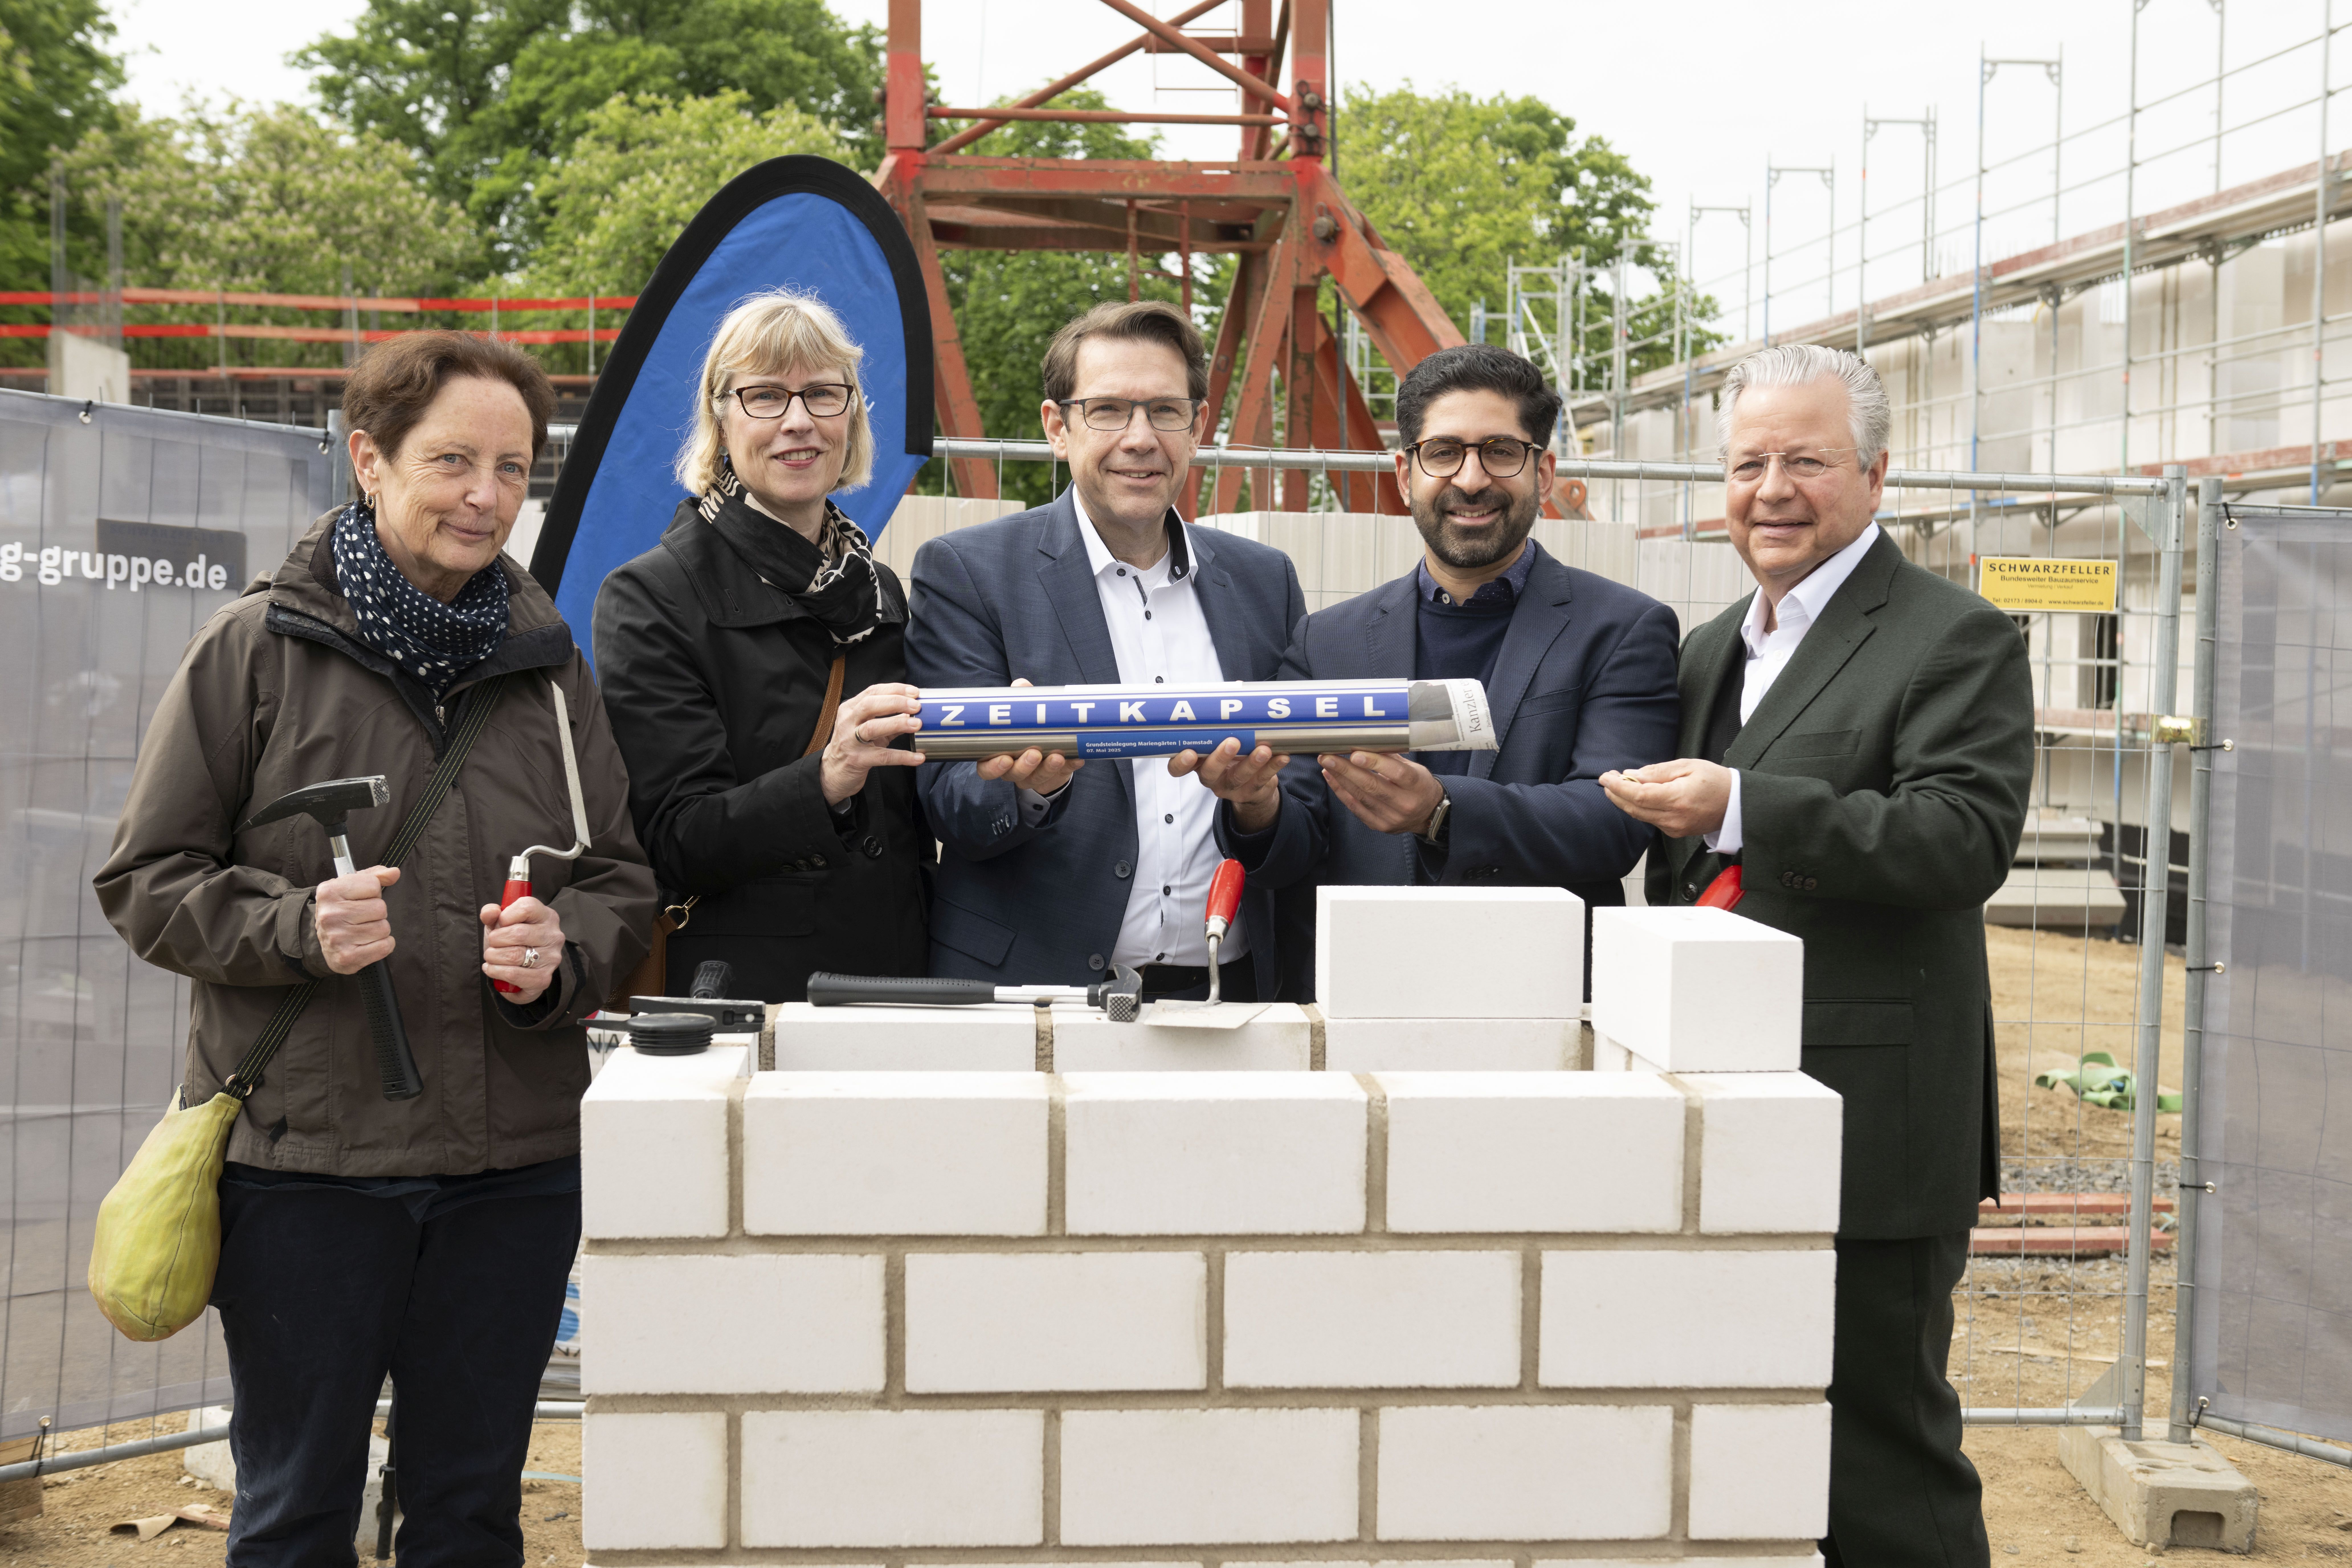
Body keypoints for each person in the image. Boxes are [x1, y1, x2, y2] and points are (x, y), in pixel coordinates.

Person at [93, 330, 656, 1563]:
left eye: (512, 467)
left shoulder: (553, 671)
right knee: (296, 1510)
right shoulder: (256, 649)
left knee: (468, 1508)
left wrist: (563, 950)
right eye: (451, 460)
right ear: (369, 458)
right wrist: (296, 926)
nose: (484, 495)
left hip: (513, 1165)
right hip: (308, 1170)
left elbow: (620, 874)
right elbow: (145, 879)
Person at [1600, 342, 2032, 1568]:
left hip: (1870, 1124)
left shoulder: (1954, 636)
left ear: (1878, 473)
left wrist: (1745, 803)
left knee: (1880, 1454)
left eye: (1807, 459)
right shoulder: (1710, 647)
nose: (1772, 488)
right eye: (1748, 463)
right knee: (1746, 1432)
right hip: (1718, 1101)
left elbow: (1960, 840)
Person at [1180, 344, 1679, 995]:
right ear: (1404, 473)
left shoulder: (1623, 630)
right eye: (1443, 453)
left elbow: (1614, 823)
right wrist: (1254, 803)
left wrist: (1442, 812)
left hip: (1540, 1001)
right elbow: (1294, 844)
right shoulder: (1326, 643)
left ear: (1545, 471)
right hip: (1353, 994)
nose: (1471, 479)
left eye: (1501, 451)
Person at [905, 299, 1305, 999]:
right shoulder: (968, 573)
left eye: (1165, 411)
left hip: (1229, 993)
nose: (1141, 438)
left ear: (1199, 426)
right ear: (1058, 428)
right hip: (1033, 996)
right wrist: (1031, 785)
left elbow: (1305, 804)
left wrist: (1259, 807)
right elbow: (949, 805)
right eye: (1110, 410)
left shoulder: (1264, 581)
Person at [593, 287, 932, 1001]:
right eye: (766, 397)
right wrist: (827, 777)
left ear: (854, 414)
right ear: (721, 418)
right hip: (746, 999)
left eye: (823, 395)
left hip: (899, 986)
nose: (800, 422)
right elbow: (675, 838)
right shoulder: (651, 596)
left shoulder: (881, 590)